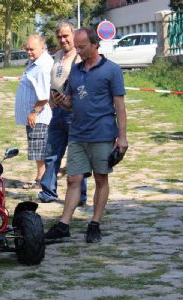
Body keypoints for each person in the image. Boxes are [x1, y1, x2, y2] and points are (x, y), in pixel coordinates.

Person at [45, 27, 128, 244]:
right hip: (77, 134)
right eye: (77, 46)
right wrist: (64, 101)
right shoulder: (76, 70)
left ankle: (95, 223)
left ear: (95, 45)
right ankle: (63, 225)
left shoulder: (112, 70)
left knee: (101, 178)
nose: (79, 51)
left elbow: (120, 106)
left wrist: (122, 138)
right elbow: (73, 102)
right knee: (73, 179)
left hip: (102, 134)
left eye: (82, 47)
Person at [37, 21, 88, 206]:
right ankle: (48, 192)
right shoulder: (57, 55)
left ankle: (80, 197)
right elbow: (53, 81)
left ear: (73, 35)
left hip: (74, 112)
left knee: (76, 155)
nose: (62, 39)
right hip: (57, 111)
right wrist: (51, 101)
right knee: (51, 153)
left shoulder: (80, 56)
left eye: (66, 35)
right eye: (59, 36)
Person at [14, 35, 54, 189]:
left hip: (40, 115)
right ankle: (41, 177)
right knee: (37, 148)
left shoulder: (43, 66)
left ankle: (42, 180)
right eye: (27, 49)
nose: (28, 52)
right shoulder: (35, 62)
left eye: (32, 49)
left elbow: (44, 95)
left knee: (40, 148)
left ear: (42, 48)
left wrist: (34, 112)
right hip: (36, 115)